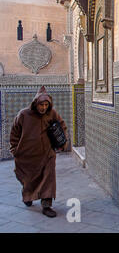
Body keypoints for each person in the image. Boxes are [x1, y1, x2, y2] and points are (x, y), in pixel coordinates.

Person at [9, 86, 68, 218]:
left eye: (46, 104)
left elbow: (62, 126)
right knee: (28, 178)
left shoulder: (52, 113)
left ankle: (46, 205)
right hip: (27, 155)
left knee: (49, 178)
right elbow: (15, 133)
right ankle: (28, 195)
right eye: (41, 104)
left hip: (47, 154)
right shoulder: (23, 115)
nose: (43, 107)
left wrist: (63, 143)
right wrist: (14, 149)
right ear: (35, 103)